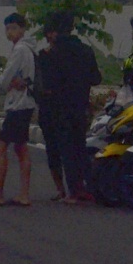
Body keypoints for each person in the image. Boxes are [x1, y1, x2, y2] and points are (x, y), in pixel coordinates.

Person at [0, 13, 36, 207]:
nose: (9, 32)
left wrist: (6, 82)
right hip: (26, 103)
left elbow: (3, 81)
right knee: (21, 148)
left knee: (1, 146)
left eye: (13, 28)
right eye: (7, 28)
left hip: (17, 105)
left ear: (22, 29)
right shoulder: (29, 49)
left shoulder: (20, 50)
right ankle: (24, 194)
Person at [43, 11, 102, 204]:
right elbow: (96, 78)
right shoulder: (85, 50)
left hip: (59, 107)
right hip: (81, 105)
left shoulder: (53, 53)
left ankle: (73, 192)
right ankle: (89, 188)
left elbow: (47, 84)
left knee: (66, 149)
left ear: (55, 31)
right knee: (80, 148)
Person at [36, 38, 65, 201]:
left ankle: (61, 189)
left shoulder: (44, 56)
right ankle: (76, 189)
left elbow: (39, 84)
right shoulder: (78, 52)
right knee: (70, 150)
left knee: (53, 150)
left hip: (49, 108)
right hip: (70, 108)